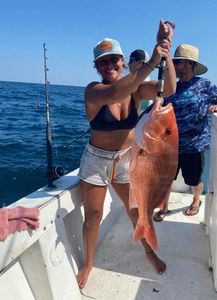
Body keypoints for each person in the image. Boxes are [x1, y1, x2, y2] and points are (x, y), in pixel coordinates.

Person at [77, 20, 176, 289]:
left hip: (127, 160)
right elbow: (115, 92)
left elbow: (168, 90)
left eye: (113, 60)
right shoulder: (93, 91)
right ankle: (88, 264)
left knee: (136, 210)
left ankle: (148, 251)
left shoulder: (136, 91)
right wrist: (151, 62)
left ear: (122, 61)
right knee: (93, 216)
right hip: (96, 161)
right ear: (96, 67)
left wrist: (165, 52)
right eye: (103, 62)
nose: (109, 65)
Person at [153, 44, 217, 222]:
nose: (173, 66)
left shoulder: (204, 85)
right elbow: (155, 107)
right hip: (169, 146)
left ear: (189, 63)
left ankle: (196, 201)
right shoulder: (169, 87)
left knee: (194, 179)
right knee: (165, 179)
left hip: (194, 145)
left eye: (177, 62)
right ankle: (164, 207)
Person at [128, 49, 153, 115]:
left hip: (140, 123)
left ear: (140, 63)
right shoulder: (146, 80)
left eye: (131, 60)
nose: (128, 64)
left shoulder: (143, 82)